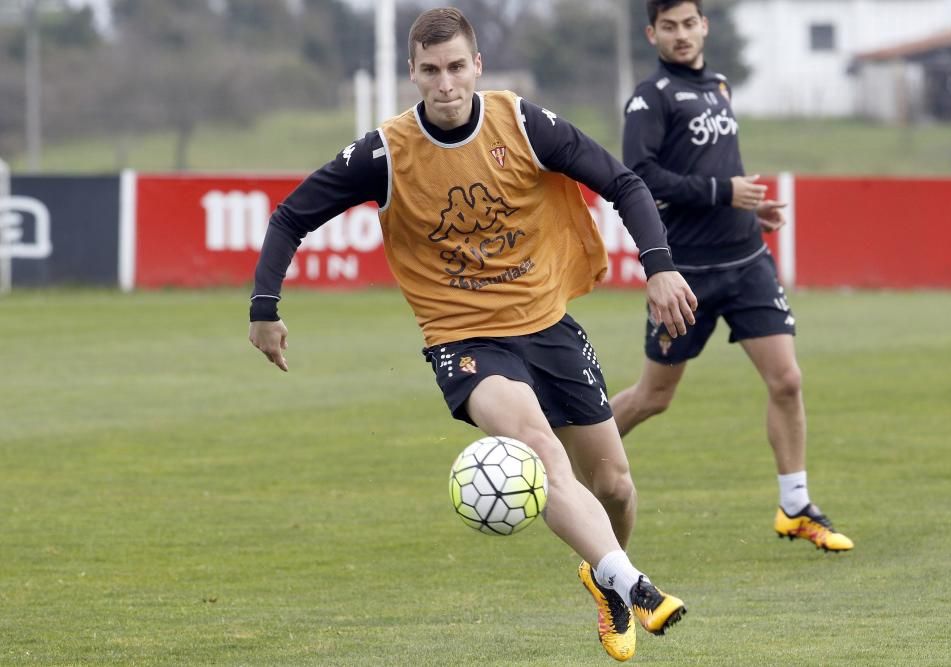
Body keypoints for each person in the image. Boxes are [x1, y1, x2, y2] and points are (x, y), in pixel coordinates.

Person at [248, 7, 697, 662]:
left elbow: (622, 182)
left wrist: (659, 268)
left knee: (616, 485)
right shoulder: (386, 151)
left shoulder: (523, 123)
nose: (446, 83)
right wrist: (265, 306)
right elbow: (291, 215)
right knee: (540, 448)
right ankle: (635, 582)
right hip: (463, 341)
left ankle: (605, 577)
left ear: (477, 66)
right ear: (412, 74)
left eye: (457, 67)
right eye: (430, 70)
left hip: (548, 327)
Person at [612, 0, 853, 553]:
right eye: (668, 27)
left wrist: (747, 207)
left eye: (688, 24)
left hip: (746, 261)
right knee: (653, 396)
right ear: (652, 34)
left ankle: (795, 506)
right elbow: (639, 176)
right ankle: (562, 455)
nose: (680, 35)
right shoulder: (650, 98)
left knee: (787, 380)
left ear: (704, 27)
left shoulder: (719, 86)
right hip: (686, 274)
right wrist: (725, 194)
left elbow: (718, 166)